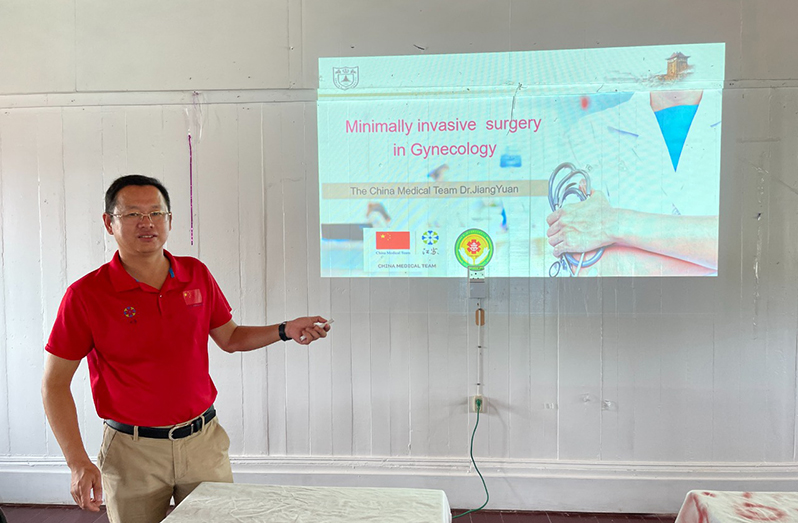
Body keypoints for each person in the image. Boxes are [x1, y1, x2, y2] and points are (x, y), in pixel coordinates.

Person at [41, 174, 331, 523]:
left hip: (202, 442)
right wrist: (77, 461)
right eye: (132, 214)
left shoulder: (196, 274)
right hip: (133, 452)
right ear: (109, 223)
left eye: (156, 213)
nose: (146, 222)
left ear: (169, 220)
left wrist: (284, 330)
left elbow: (231, 337)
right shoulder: (86, 295)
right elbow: (54, 384)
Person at [546, 88, 721, 276]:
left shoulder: (748, 117)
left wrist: (611, 223)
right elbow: (580, 264)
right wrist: (714, 257)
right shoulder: (588, 133)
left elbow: (750, 245)